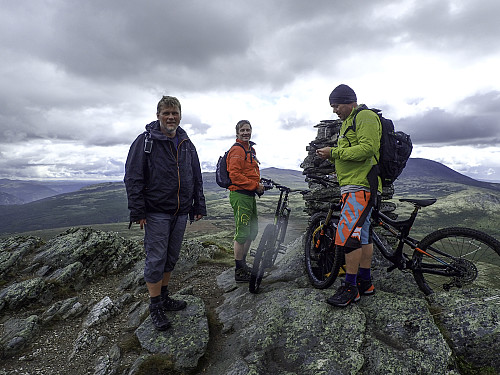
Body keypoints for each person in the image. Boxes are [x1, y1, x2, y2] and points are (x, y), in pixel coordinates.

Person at [124, 96, 207, 330]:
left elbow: (196, 175)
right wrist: (138, 211)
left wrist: (198, 206)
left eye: (175, 113)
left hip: (180, 211)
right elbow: (133, 177)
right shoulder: (145, 142)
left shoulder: (186, 143)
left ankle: (165, 296)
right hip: (156, 211)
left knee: (170, 258)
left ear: (180, 115)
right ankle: (155, 306)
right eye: (166, 113)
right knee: (156, 258)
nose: (171, 117)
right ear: (158, 115)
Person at [316, 84, 382, 307]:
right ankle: (365, 282)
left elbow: (368, 148)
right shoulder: (349, 122)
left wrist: (334, 152)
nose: (335, 110)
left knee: (348, 237)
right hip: (355, 187)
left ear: (348, 101)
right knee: (362, 236)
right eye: (333, 107)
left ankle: (350, 287)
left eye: (337, 105)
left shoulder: (364, 117)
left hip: (361, 186)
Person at [227, 120, 265, 282]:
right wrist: (254, 185)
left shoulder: (250, 149)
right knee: (242, 232)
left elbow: (249, 171)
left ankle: (243, 264)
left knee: (252, 231)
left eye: (248, 130)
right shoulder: (237, 150)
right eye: (242, 130)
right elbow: (234, 175)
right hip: (240, 194)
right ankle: (239, 270)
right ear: (237, 133)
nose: (245, 133)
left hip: (249, 195)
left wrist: (258, 184)